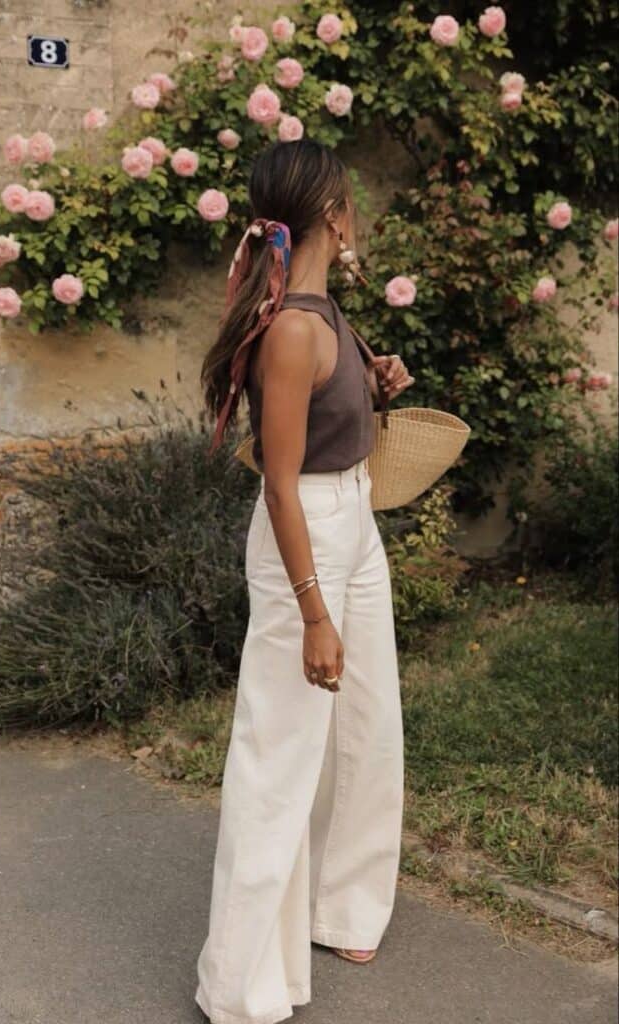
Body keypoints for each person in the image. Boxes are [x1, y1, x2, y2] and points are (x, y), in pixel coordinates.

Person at [196, 138, 414, 1024]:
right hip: (307, 538)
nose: (356, 210)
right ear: (333, 213)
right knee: (280, 750)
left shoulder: (325, 313)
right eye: (350, 198)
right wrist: (313, 613)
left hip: (354, 523)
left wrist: (376, 384)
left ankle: (342, 908)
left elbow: (329, 422)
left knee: (367, 726)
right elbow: (279, 482)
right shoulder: (291, 328)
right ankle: (243, 980)